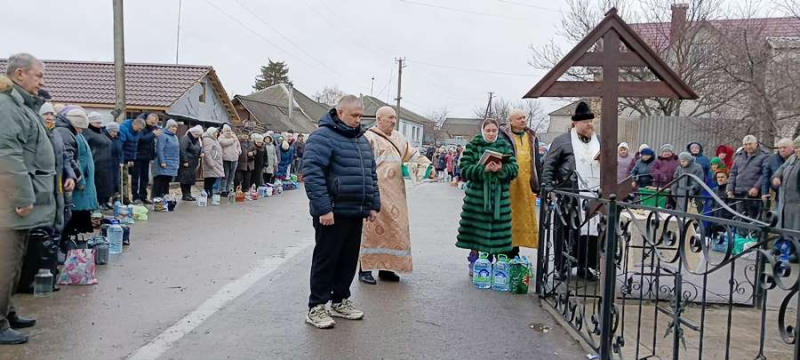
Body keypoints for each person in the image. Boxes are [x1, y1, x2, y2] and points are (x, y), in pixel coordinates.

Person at [302, 95, 380, 329]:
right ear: (341, 112)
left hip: (355, 211)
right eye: (354, 115)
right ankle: (316, 307)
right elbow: (312, 173)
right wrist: (324, 208)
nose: (358, 120)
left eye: (360, 115)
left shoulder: (361, 140)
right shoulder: (322, 137)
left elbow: (370, 174)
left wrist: (373, 204)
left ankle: (340, 300)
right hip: (332, 212)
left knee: (347, 260)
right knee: (326, 259)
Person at [0, 54, 56, 345]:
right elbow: (6, 155)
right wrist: (22, 195)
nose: (41, 82)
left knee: (13, 264)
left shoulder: (21, 104)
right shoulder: (6, 106)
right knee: (4, 264)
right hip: (7, 202)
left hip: (14, 202)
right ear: (20, 74)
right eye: (38, 76)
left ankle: (6, 313)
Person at [358, 106, 432, 284]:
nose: (393, 121)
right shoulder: (369, 138)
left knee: (394, 231)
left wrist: (428, 166)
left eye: (395, 118)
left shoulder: (399, 138)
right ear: (379, 119)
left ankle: (387, 268)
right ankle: (365, 269)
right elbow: (362, 166)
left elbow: (413, 155)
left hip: (396, 194)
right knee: (371, 232)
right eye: (390, 118)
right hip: (376, 193)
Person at [541, 101, 601, 280]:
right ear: (575, 123)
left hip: (592, 194)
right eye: (585, 122)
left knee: (591, 233)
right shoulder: (562, 141)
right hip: (568, 196)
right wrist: (549, 188)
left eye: (591, 121)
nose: (589, 125)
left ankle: (587, 266)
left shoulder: (599, 141)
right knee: (564, 232)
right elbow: (549, 166)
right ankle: (562, 266)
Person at [457, 118, 518, 274]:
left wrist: (501, 169)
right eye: (488, 130)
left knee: (499, 233)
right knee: (476, 232)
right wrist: (482, 169)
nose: (491, 134)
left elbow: (514, 168)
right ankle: (476, 262)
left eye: (494, 131)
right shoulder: (473, 145)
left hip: (500, 198)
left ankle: (497, 264)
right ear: (483, 131)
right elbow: (464, 169)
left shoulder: (504, 146)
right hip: (477, 199)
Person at [499, 109, 540, 259]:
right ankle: (503, 252)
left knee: (522, 218)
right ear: (511, 121)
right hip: (508, 184)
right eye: (519, 118)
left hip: (526, 184)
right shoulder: (502, 136)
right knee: (507, 216)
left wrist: (539, 183)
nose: (523, 120)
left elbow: (536, 162)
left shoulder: (531, 136)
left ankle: (515, 252)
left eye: (524, 117)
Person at [58, 106, 98, 240]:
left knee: (75, 214)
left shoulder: (74, 134)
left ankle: (71, 240)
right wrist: (79, 178)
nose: (81, 130)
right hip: (77, 181)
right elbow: (72, 159)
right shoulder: (68, 134)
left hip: (80, 178)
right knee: (73, 214)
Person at [728, 135, 770, 220]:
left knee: (754, 219)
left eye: (750, 144)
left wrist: (756, 187)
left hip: (754, 194)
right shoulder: (739, 155)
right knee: (739, 218)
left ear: (756, 143)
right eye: (745, 144)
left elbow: (765, 174)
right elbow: (733, 173)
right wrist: (730, 189)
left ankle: (753, 233)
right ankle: (740, 233)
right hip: (739, 193)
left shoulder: (765, 155)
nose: (748, 146)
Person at [83, 112, 115, 209]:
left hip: (106, 163)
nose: (99, 125)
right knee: (98, 184)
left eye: (100, 123)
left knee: (106, 184)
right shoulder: (87, 132)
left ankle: (104, 201)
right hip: (96, 163)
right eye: (96, 123)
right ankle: (98, 202)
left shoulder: (101, 132)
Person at [771, 135, 800, 230]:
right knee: (784, 230)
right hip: (785, 204)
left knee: (795, 232)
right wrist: (777, 176)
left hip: (796, 205)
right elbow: (781, 168)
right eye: (796, 148)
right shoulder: (793, 158)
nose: (797, 150)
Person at [132, 114, 161, 204]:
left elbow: (152, 142)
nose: (153, 124)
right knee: (136, 178)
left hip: (147, 156)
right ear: (147, 119)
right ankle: (135, 197)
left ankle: (143, 196)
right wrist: (153, 134)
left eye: (155, 123)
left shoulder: (153, 128)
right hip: (138, 155)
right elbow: (142, 139)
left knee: (145, 178)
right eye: (152, 122)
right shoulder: (142, 126)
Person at [119, 117, 145, 204]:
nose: (139, 131)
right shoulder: (123, 129)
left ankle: (126, 198)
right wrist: (121, 160)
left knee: (126, 179)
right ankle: (120, 198)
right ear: (134, 124)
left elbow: (134, 146)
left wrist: (132, 159)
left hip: (128, 158)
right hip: (121, 159)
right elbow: (121, 146)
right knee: (121, 179)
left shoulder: (137, 132)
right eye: (138, 128)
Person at [153, 120, 180, 199]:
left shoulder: (175, 137)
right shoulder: (162, 135)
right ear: (168, 127)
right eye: (173, 127)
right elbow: (160, 149)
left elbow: (177, 151)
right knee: (161, 179)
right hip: (164, 161)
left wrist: (177, 162)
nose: (175, 128)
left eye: (176, 127)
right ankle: (158, 196)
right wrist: (162, 161)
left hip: (172, 162)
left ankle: (165, 196)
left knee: (167, 180)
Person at [763, 138, 794, 205]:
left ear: (792, 147)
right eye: (780, 148)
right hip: (779, 197)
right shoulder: (772, 159)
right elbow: (766, 176)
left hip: (794, 198)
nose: (782, 150)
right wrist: (765, 193)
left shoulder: (797, 158)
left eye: (784, 147)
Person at [178, 126, 204, 201]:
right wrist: (185, 161)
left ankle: (188, 194)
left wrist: (201, 152)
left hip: (193, 162)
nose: (197, 136)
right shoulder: (186, 139)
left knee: (190, 179)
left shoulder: (196, 140)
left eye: (199, 135)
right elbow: (182, 150)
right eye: (196, 134)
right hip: (187, 162)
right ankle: (185, 194)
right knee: (184, 179)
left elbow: (198, 148)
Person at [201, 127, 224, 197]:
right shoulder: (208, 140)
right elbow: (207, 152)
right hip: (211, 163)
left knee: (213, 178)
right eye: (215, 133)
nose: (216, 134)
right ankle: (207, 191)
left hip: (216, 162)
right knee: (209, 178)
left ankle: (209, 190)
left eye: (217, 133)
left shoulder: (214, 139)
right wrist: (211, 163)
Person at [219, 124, 240, 196]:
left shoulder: (234, 137)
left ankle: (228, 189)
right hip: (226, 159)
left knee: (231, 175)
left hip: (235, 158)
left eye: (229, 130)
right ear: (224, 131)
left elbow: (238, 145)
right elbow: (224, 143)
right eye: (227, 131)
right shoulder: (221, 137)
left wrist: (239, 151)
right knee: (225, 175)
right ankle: (223, 190)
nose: (228, 132)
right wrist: (233, 140)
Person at [105, 122, 123, 201]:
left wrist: (121, 160)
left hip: (116, 162)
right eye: (113, 131)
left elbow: (121, 150)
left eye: (116, 132)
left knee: (116, 182)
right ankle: (106, 200)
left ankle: (114, 200)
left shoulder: (118, 138)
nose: (115, 134)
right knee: (108, 182)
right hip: (107, 162)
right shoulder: (105, 138)